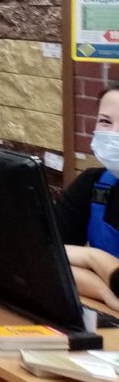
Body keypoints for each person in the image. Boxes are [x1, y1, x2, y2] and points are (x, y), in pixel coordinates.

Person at [56, 82, 119, 310]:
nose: (113, 134)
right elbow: (43, 258)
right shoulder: (93, 184)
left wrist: (91, 258)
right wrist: (103, 290)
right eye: (105, 122)